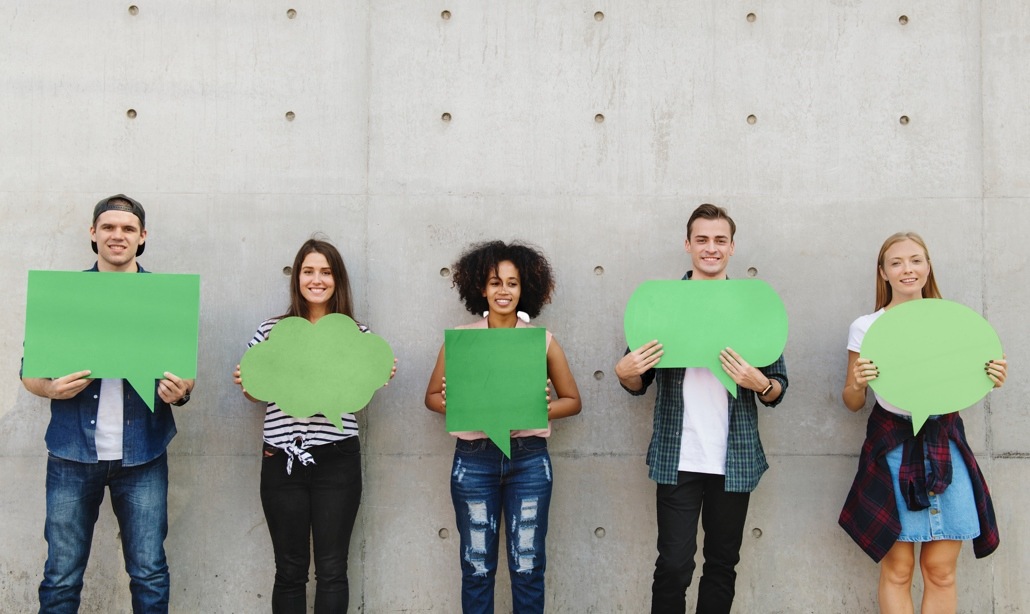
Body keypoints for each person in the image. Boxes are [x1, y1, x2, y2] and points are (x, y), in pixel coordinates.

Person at [21, 194, 193, 613]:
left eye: (128, 228)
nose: (118, 235)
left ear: (143, 237)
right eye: (110, 227)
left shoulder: (166, 298)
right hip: (71, 454)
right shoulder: (63, 295)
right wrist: (49, 389)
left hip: (144, 456)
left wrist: (181, 392)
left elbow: (184, 378)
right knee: (61, 576)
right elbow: (30, 372)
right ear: (93, 233)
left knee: (150, 573)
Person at [614, 203, 788, 614]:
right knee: (673, 565)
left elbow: (778, 388)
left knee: (722, 565)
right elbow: (638, 380)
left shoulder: (752, 304)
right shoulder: (663, 302)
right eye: (703, 240)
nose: (711, 248)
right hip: (680, 456)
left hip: (736, 458)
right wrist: (625, 373)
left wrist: (759, 382)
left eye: (720, 240)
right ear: (688, 244)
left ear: (732, 247)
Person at [838, 232, 1005, 614]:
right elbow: (851, 401)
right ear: (883, 273)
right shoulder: (866, 326)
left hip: (946, 445)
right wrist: (857, 382)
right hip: (891, 447)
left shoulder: (955, 321)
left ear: (928, 267)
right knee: (897, 571)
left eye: (915, 260)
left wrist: (993, 375)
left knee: (941, 571)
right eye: (896, 263)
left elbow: (971, 379)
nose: (907, 269)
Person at [232, 238, 393, 613]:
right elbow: (254, 397)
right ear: (297, 277)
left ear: (338, 279)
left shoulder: (358, 335)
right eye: (308, 271)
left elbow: (363, 387)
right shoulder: (272, 330)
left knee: (333, 569)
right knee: (289, 569)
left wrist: (378, 372)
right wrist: (250, 382)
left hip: (338, 458)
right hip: (281, 458)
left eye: (325, 272)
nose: (316, 279)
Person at [424, 240, 581, 614]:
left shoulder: (541, 341)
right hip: (473, 461)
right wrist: (455, 403)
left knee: (527, 565)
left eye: (512, 283)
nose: (504, 291)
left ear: (525, 288)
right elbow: (431, 397)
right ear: (481, 286)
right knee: (476, 566)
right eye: (496, 282)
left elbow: (572, 401)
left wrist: (539, 409)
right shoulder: (463, 340)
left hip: (529, 462)